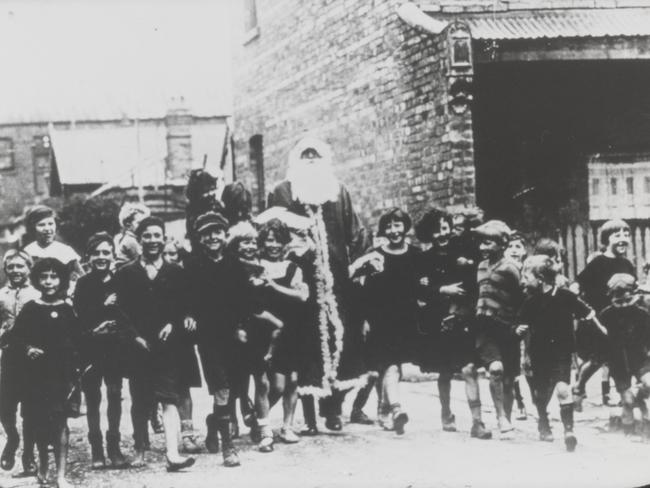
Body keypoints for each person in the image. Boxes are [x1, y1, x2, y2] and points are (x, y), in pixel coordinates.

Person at [268, 135, 369, 431]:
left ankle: (333, 408)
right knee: (304, 344)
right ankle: (306, 414)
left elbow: (356, 233)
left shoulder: (339, 192)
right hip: (299, 282)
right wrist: (292, 250)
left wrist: (360, 266)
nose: (310, 159)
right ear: (296, 160)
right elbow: (273, 231)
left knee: (341, 342)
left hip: (337, 284)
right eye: (305, 154)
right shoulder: (282, 192)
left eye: (316, 155)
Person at [113, 216, 196, 471]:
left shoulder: (176, 272)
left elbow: (184, 304)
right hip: (138, 346)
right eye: (146, 236)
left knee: (169, 397)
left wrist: (174, 322)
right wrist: (134, 336)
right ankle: (140, 449)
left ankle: (172, 453)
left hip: (168, 345)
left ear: (164, 238)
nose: (152, 241)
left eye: (156, 235)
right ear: (139, 240)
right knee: (141, 399)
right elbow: (120, 310)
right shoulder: (126, 273)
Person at [517, 255, 605, 452]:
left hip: (561, 353)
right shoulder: (530, 302)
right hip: (539, 354)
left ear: (540, 278)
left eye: (526, 276)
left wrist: (603, 331)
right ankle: (543, 422)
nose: (523, 280)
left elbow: (588, 313)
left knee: (563, 389)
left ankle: (569, 431)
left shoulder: (566, 296)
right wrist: (524, 352)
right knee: (540, 393)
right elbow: (522, 329)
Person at [12, 258, 79, 487]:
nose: (49, 281)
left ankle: (61, 475)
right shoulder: (31, 308)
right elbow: (16, 337)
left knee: (60, 423)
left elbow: (77, 339)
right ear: (37, 279)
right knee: (40, 422)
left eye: (54, 276)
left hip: (61, 375)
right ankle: (43, 469)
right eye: (44, 276)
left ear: (61, 279)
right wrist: (28, 348)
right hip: (36, 376)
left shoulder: (67, 309)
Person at [416, 208, 484, 436]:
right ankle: (446, 412)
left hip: (463, 318)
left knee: (469, 368)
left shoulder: (463, 251)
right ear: (429, 234)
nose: (442, 235)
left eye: (445, 229)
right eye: (436, 231)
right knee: (444, 371)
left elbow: (475, 281)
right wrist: (443, 289)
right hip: (439, 322)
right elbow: (422, 290)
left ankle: (477, 422)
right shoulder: (424, 259)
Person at [184, 211, 244, 466]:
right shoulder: (193, 265)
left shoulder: (235, 263)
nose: (212, 237)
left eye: (217, 232)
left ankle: (213, 422)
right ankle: (228, 448)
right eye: (207, 234)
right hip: (208, 337)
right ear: (200, 238)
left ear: (225, 234)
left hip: (234, 336)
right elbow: (184, 296)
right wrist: (188, 314)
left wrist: (242, 326)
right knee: (222, 388)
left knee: (233, 390)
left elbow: (245, 300)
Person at [359, 208, 421, 435]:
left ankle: (383, 410)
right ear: (383, 229)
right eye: (389, 226)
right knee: (390, 365)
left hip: (405, 319)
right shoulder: (375, 255)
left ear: (405, 227)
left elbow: (420, 286)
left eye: (398, 225)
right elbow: (365, 291)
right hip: (380, 319)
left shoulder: (415, 254)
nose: (394, 231)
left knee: (394, 368)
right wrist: (364, 319)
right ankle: (396, 409)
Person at [226, 221, 284, 453]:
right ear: (235, 245)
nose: (249, 246)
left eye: (251, 241)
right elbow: (239, 304)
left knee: (262, 381)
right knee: (237, 381)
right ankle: (235, 418)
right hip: (240, 329)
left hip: (259, 332)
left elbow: (265, 300)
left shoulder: (260, 267)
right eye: (243, 242)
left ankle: (264, 430)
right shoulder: (231, 268)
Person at [462, 220, 523, 438]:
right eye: (481, 243)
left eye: (488, 243)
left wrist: (519, 325)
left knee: (508, 378)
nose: (483, 248)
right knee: (494, 369)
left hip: (506, 326)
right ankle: (500, 417)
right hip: (484, 327)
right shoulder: (480, 266)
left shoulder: (511, 268)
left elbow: (521, 297)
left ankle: (505, 416)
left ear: (502, 243)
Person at [73, 233, 129, 469]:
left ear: (113, 255)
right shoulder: (83, 283)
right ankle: (96, 447)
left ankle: (114, 446)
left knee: (115, 394)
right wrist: (102, 308)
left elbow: (128, 312)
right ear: (88, 257)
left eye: (106, 252)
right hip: (91, 348)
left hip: (114, 348)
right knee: (93, 397)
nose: (101, 257)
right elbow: (80, 316)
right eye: (96, 253)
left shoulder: (120, 281)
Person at [257, 219, 310, 443]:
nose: (274, 245)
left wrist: (275, 286)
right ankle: (261, 419)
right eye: (269, 240)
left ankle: (287, 426)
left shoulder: (293, 268)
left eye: (278, 240)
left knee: (294, 381)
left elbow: (302, 295)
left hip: (292, 328)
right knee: (275, 385)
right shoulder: (257, 265)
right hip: (267, 330)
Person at [574, 219, 636, 409]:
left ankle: (622, 394)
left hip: (620, 319)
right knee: (597, 358)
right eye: (617, 235)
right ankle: (578, 387)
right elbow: (579, 283)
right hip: (599, 318)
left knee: (619, 356)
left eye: (626, 235)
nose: (623, 239)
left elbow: (631, 288)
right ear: (606, 239)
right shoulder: (598, 262)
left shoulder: (627, 264)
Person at [0, 250, 40, 475]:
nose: (15, 271)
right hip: (9, 355)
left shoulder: (37, 294)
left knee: (31, 407)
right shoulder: (1, 295)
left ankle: (29, 454)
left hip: (32, 356)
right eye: (11, 267)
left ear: (29, 268)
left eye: (20, 266)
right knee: (5, 404)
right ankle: (12, 439)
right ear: (6, 269)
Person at [599, 273, 650, 439]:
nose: (623, 303)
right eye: (618, 299)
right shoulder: (606, 315)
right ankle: (629, 430)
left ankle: (640, 398)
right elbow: (600, 342)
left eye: (627, 299)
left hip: (640, 358)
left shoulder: (641, 314)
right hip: (618, 363)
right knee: (627, 400)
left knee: (649, 383)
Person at [504, 231, 533, 421]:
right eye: (510, 246)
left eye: (518, 247)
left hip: (529, 320)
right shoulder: (503, 271)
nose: (514, 250)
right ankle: (519, 401)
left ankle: (537, 401)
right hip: (510, 321)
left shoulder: (530, 271)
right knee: (512, 364)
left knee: (529, 362)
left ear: (524, 250)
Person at [22, 205, 83, 285]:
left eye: (51, 224)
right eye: (41, 225)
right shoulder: (28, 251)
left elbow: (82, 278)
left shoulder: (66, 250)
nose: (47, 229)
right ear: (33, 228)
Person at [114, 202, 150, 269]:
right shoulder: (130, 241)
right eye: (139, 223)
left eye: (145, 223)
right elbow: (143, 260)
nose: (143, 226)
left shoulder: (130, 238)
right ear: (128, 226)